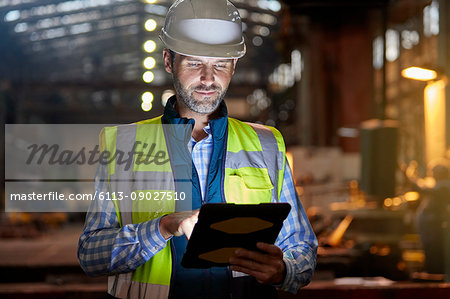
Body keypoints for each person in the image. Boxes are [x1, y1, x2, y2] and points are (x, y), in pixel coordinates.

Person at [78, 0, 317, 298]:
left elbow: (302, 246)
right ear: (168, 61)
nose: (208, 78)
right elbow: (91, 254)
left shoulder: (266, 144)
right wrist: (163, 227)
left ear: (234, 65)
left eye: (220, 64)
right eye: (194, 63)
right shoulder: (122, 145)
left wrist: (285, 270)